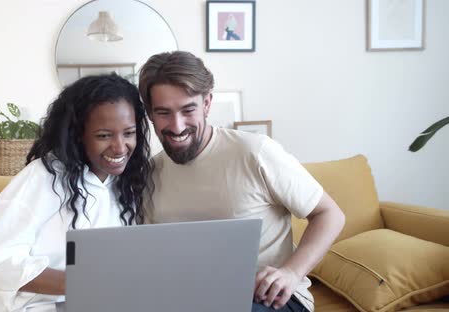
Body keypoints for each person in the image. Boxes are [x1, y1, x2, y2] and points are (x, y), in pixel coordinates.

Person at [138, 51, 345, 312]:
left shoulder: (255, 152)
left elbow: (330, 214)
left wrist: (291, 273)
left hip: (269, 299)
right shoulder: (150, 175)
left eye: (188, 110)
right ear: (150, 114)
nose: (177, 126)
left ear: (207, 103)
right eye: (164, 113)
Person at [0, 74, 152, 312]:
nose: (120, 147)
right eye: (104, 135)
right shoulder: (43, 178)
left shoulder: (128, 182)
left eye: (128, 133)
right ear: (78, 134)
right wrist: (81, 283)